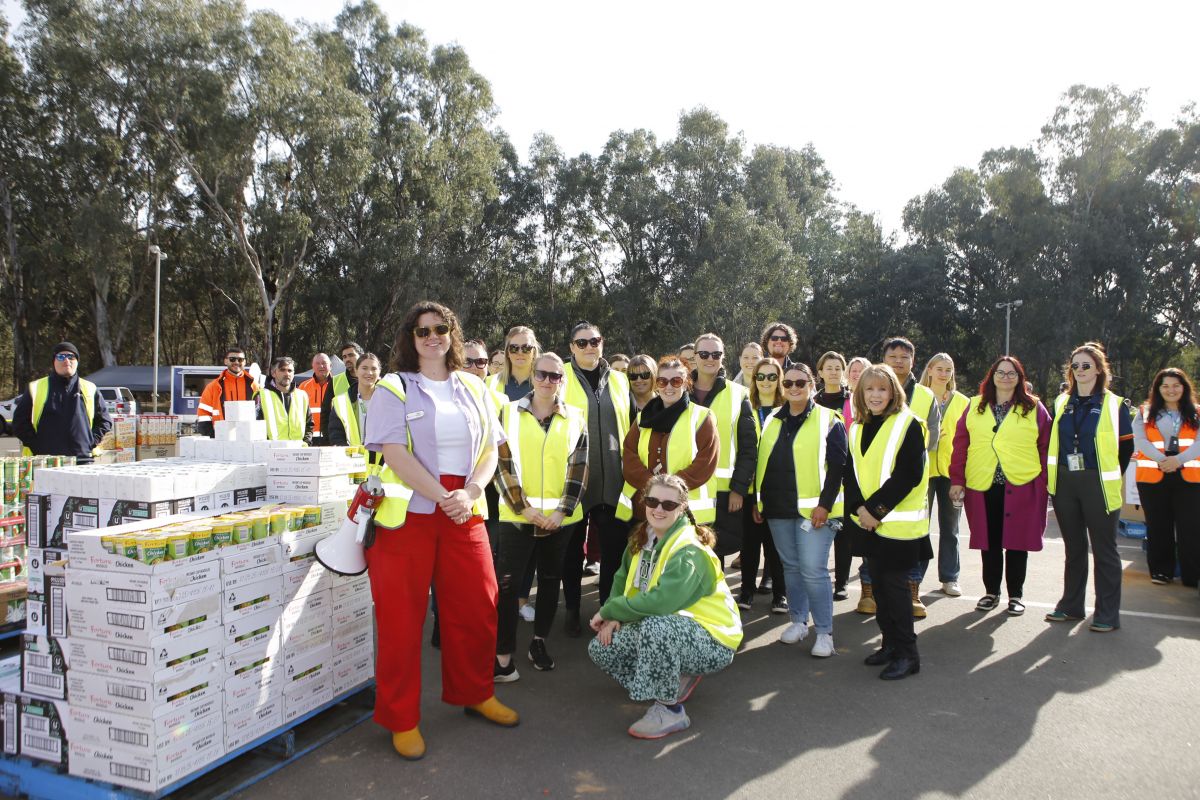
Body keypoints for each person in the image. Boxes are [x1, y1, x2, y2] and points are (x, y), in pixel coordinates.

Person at [364, 300, 516, 761]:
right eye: (422, 330)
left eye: (440, 328)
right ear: (410, 338)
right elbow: (393, 451)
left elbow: (491, 448)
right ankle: (401, 718)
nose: (432, 336)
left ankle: (476, 693)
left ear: (452, 333)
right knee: (401, 621)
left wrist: (469, 492)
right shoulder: (394, 387)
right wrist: (441, 494)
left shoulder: (474, 386)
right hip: (409, 513)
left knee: (478, 603)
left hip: (464, 507)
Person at [588, 474, 742, 739]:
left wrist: (609, 611)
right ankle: (671, 680)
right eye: (652, 501)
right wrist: (614, 616)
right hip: (674, 628)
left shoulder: (689, 550)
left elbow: (661, 603)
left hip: (713, 639)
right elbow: (622, 578)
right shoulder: (643, 536)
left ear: (682, 508)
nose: (659, 509)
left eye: (669, 505)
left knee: (655, 626)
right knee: (602, 649)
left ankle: (670, 710)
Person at [492, 353, 589, 680]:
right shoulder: (507, 413)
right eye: (542, 374)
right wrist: (524, 508)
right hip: (517, 518)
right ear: (532, 376)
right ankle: (503, 657)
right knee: (507, 586)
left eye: (555, 376)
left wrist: (562, 512)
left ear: (563, 380)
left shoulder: (576, 417)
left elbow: (579, 469)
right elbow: (501, 466)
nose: (548, 381)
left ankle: (539, 642)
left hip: (560, 522)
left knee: (550, 581)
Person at [844, 364, 932, 680]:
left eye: (882, 389)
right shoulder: (855, 428)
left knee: (895, 591)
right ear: (861, 394)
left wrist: (874, 511)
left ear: (894, 392)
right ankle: (890, 645)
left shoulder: (908, 424)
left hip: (896, 526)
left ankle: (909, 655)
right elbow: (851, 474)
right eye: (869, 389)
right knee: (879, 588)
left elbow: (909, 474)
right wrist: (859, 509)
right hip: (869, 523)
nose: (876, 395)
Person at [754, 363, 846, 657]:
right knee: (791, 567)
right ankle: (798, 621)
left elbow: (838, 468)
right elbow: (762, 462)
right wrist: (760, 502)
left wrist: (825, 505)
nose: (794, 388)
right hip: (777, 507)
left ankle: (824, 633)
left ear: (812, 385)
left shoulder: (829, 419)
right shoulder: (771, 420)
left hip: (816, 512)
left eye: (800, 383)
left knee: (813, 570)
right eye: (789, 383)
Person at [949, 357, 1051, 615]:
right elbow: (961, 445)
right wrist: (957, 479)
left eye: (1012, 373)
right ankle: (991, 592)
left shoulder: (1034, 408)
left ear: (1020, 377)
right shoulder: (974, 406)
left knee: (1017, 543)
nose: (1006, 377)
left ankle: (1016, 595)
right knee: (989, 542)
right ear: (992, 376)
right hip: (983, 485)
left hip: (1021, 484)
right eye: (1001, 372)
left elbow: (1046, 448)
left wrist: (1043, 482)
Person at [1044, 342, 1134, 633]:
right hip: (1065, 482)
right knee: (1074, 547)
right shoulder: (1060, 402)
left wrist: (1106, 474)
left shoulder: (1114, 404)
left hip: (1098, 483)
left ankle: (1107, 613)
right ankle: (1071, 606)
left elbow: (1125, 449)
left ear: (1098, 369)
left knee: (1105, 550)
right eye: (1075, 366)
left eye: (1086, 365)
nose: (1080, 370)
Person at [560, 322, 634, 636]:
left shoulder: (619, 379)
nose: (590, 346)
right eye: (582, 342)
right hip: (574, 480)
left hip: (613, 481)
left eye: (596, 340)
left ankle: (607, 610)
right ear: (572, 347)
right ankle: (573, 610)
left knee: (613, 554)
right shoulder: (559, 376)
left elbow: (630, 424)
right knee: (571, 551)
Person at [618, 355, 719, 526]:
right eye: (663, 381)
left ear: (686, 383)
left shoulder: (702, 417)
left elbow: (705, 462)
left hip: (685, 511)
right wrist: (652, 486)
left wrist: (669, 490)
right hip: (645, 508)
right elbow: (629, 455)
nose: (669, 387)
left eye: (676, 381)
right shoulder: (643, 418)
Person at [881, 337, 941, 618]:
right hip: (878, 476)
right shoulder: (873, 388)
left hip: (915, 479)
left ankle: (913, 590)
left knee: (916, 535)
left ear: (913, 361)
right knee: (877, 531)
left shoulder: (926, 396)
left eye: (904, 357)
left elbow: (933, 438)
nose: (898, 361)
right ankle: (872, 589)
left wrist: (906, 459)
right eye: (893, 356)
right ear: (884, 359)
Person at [689, 333, 757, 561]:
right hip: (686, 489)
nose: (710, 359)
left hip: (725, 493)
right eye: (704, 354)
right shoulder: (679, 391)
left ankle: (714, 597)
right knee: (687, 550)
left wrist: (738, 488)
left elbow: (749, 448)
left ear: (723, 357)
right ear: (694, 357)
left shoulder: (738, 394)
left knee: (716, 553)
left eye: (716, 354)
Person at [1133, 367, 1200, 587]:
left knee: (1190, 528)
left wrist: (1177, 461)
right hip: (1153, 478)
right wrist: (1163, 460)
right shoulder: (1144, 412)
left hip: (1190, 479)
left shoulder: (1197, 412)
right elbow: (1140, 441)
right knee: (1158, 526)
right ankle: (1162, 571)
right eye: (1165, 386)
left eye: (1176, 385)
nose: (1171, 390)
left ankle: (1192, 575)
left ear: (1184, 387)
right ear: (1158, 389)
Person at [920, 352, 970, 597]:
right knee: (920, 526)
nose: (943, 374)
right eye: (939, 368)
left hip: (952, 472)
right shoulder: (918, 396)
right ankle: (914, 577)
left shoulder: (963, 401)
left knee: (950, 527)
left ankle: (950, 577)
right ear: (929, 370)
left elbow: (969, 438)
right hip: (923, 471)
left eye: (948, 369)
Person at [739, 358, 786, 612]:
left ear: (779, 380)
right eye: (761, 376)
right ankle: (746, 591)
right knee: (750, 544)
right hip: (749, 488)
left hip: (777, 490)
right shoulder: (745, 407)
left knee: (775, 545)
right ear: (754, 379)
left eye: (772, 376)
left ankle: (780, 594)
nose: (766, 381)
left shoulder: (788, 408)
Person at [12, 342, 111, 463]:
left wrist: (90, 441)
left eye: (71, 357)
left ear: (77, 362)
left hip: (82, 460)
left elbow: (105, 421)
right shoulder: (36, 387)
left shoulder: (90, 388)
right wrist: (37, 446)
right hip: (46, 462)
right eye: (61, 357)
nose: (66, 360)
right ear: (54, 361)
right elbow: (19, 422)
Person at [196, 345, 258, 437]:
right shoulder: (213, 387)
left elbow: (260, 412)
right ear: (225, 361)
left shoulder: (254, 386)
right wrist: (213, 435)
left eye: (240, 360)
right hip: (221, 438)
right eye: (232, 359)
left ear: (244, 362)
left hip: (248, 437)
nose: (236, 362)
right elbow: (203, 415)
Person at [325, 353, 382, 447]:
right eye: (364, 368)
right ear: (356, 370)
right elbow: (336, 434)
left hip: (382, 459)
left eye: (374, 369)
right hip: (351, 459)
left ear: (379, 372)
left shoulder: (388, 400)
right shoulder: (341, 402)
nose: (369, 373)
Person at [258, 357, 313, 444]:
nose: (287, 374)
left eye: (290, 371)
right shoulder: (261, 395)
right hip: (272, 452)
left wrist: (306, 444)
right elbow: (256, 427)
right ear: (273, 373)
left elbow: (309, 425)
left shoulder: (302, 395)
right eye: (282, 370)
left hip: (298, 452)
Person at [488, 327, 538, 403]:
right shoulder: (489, 383)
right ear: (507, 352)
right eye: (514, 348)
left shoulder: (547, 383)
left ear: (534, 352)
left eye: (526, 348)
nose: (520, 352)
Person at [299, 354, 334, 444]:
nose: (321, 366)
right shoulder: (303, 386)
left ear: (330, 366)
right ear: (313, 366)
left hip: (332, 438)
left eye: (324, 363)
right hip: (309, 439)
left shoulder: (337, 385)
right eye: (317, 363)